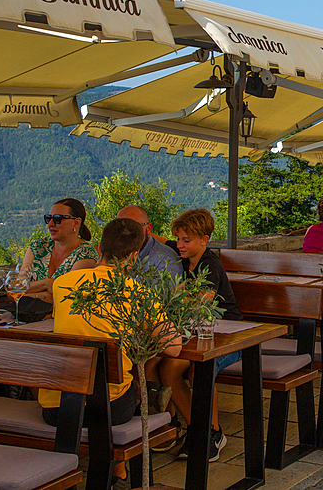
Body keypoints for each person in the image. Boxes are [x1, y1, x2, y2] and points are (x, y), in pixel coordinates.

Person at [39, 218, 181, 429]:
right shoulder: (137, 292)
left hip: (57, 408)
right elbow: (174, 347)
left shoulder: (62, 284)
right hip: (108, 408)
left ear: (99, 248)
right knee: (134, 383)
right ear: (133, 257)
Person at [149, 209, 241, 462]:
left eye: (185, 240)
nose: (179, 245)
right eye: (178, 239)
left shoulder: (209, 264)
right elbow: (154, 238)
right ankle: (199, 430)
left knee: (199, 370)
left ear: (205, 239)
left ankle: (211, 432)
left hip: (227, 335)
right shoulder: (184, 252)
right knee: (164, 369)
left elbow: (201, 301)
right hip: (194, 335)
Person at [22, 198, 99, 302]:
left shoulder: (85, 254)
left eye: (57, 219)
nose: (50, 224)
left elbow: (66, 296)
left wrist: (27, 293)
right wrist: (46, 283)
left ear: (76, 223)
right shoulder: (38, 247)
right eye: (48, 218)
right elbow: (17, 287)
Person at [116, 205, 182, 280]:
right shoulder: (111, 252)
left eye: (133, 228)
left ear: (148, 228)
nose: (125, 233)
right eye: (119, 227)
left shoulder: (166, 263)